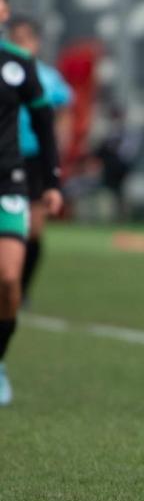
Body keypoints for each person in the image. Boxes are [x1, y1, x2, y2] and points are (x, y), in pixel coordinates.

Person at [0, 29, 63, 405]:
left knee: (8, 279)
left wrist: (53, 180)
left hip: (11, 179)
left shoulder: (18, 64)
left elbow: (45, 122)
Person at [6, 16, 72, 306]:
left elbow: (64, 109)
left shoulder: (47, 77)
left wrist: (62, 145)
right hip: (6, 156)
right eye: (15, 38)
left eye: (25, 38)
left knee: (34, 228)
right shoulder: (5, 69)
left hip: (33, 158)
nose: (20, 44)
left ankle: (21, 286)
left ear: (36, 42)